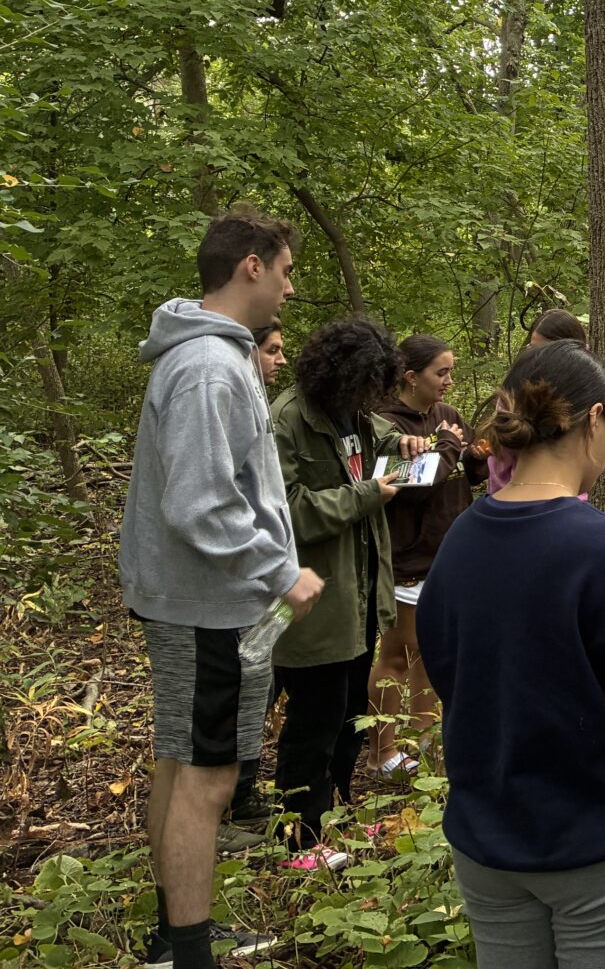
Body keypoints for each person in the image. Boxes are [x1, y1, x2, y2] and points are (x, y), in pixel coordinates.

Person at [417, 343, 605, 969]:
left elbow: (447, 668)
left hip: (489, 837)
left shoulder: (464, 538)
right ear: (595, 418)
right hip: (600, 843)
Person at [121, 211, 320, 968]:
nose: (289, 287)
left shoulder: (212, 356)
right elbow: (200, 502)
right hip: (206, 604)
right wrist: (280, 571)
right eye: (285, 270)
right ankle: (188, 952)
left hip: (197, 597)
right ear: (250, 267)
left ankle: (179, 933)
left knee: (182, 761)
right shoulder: (207, 366)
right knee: (207, 777)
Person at [270, 318, 426, 871]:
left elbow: (376, 439)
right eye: (366, 386)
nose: (371, 398)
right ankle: (299, 840)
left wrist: (403, 442)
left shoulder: (353, 413)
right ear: (340, 376)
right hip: (316, 601)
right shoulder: (289, 421)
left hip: (361, 598)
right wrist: (366, 496)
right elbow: (285, 512)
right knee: (314, 720)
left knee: (350, 714)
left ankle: (335, 813)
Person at [368, 334, 488, 780]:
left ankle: (425, 749)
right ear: (410, 376)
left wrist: (473, 456)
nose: (449, 381)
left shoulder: (448, 417)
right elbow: (411, 481)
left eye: (452, 371)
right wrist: (448, 447)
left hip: (448, 553)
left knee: (432, 656)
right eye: (441, 372)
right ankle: (381, 753)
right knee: (399, 653)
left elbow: (463, 472)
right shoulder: (384, 424)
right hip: (407, 557)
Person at [220, 317, 292, 843]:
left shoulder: (262, 405)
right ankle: (225, 796)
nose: (278, 361)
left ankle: (244, 788)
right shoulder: (218, 388)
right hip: (244, 582)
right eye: (270, 351)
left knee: (259, 680)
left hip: (269, 584)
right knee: (241, 683)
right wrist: (276, 566)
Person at [482, 308, 587, 496]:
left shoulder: (586, 389)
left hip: (566, 500)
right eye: (533, 349)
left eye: (546, 350)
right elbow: (501, 460)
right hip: (513, 498)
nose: (537, 358)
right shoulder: (514, 390)